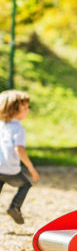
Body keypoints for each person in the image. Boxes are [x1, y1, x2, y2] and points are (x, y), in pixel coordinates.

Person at [0, 90, 39, 224]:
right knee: (25, 184)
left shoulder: (1, 125)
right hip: (10, 169)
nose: (28, 110)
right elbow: (19, 150)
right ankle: (14, 207)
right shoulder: (18, 129)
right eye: (24, 108)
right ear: (13, 109)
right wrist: (30, 167)